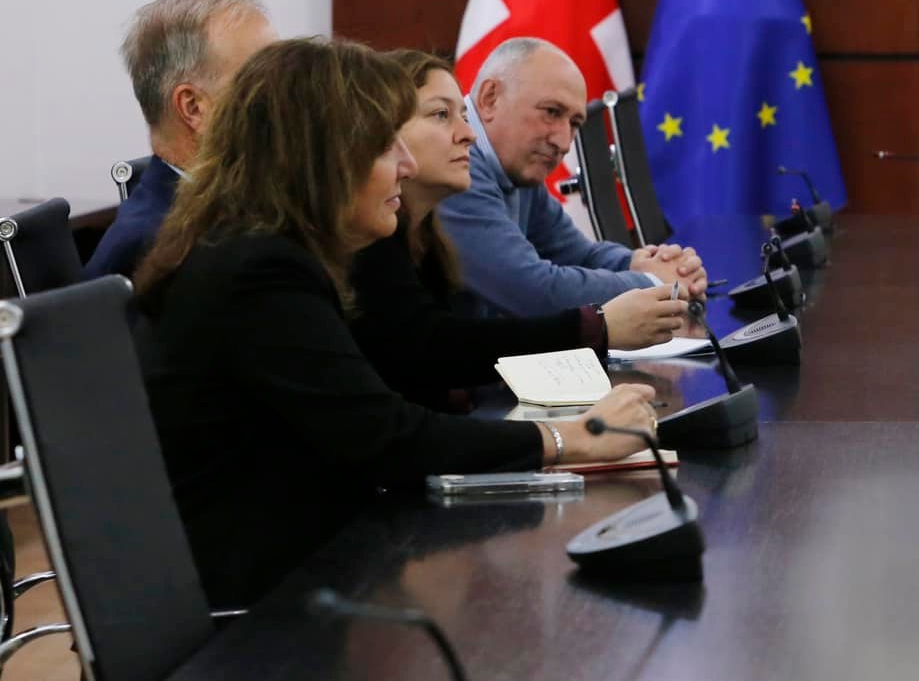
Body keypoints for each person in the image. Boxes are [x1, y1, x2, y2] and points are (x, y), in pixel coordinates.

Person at [132, 39, 657, 607]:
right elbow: (388, 438)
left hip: (322, 553)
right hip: (276, 601)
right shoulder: (258, 272)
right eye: (386, 146)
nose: (405, 166)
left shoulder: (265, 249)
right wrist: (572, 438)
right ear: (324, 155)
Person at [349, 51, 693, 410]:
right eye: (441, 115)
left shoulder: (464, 201)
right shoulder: (376, 237)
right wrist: (632, 301)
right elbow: (514, 301)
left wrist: (639, 263)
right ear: (382, 135)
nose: (468, 134)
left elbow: (574, 252)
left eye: (463, 117)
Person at [437, 37, 708, 317]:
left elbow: (578, 255)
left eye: (575, 123)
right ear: (490, 98)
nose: (564, 142)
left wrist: (642, 263)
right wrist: (655, 283)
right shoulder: (452, 163)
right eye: (551, 112)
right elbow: (533, 292)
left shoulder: (516, 165)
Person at [84, 0, 277, 279]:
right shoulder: (155, 249)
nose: (287, 98)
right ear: (193, 107)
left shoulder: (246, 205)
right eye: (264, 83)